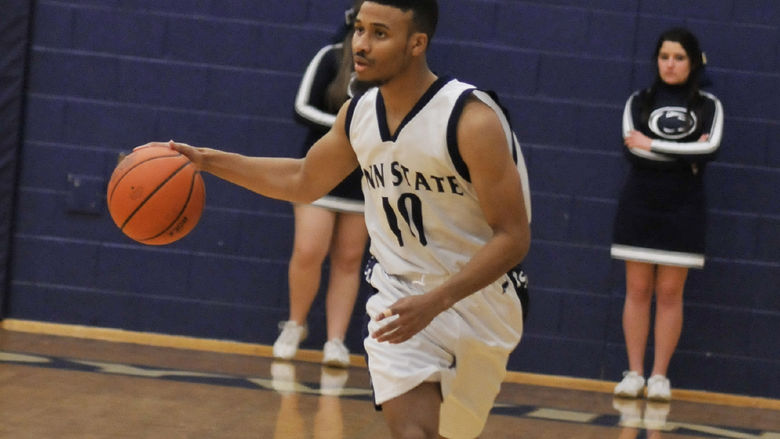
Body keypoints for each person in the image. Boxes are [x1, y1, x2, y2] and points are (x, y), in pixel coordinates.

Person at [146, 1, 532, 437]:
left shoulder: (471, 120)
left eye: (380, 34)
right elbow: (303, 179)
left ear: (417, 44)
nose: (361, 45)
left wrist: (437, 301)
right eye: (360, 30)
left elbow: (514, 237)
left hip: (479, 299)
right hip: (398, 294)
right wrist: (207, 161)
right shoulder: (358, 114)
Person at [611, 27, 724, 402]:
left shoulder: (708, 106)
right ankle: (635, 373)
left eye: (678, 58)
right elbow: (633, 150)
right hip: (639, 206)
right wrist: (686, 153)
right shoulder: (637, 101)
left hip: (684, 210)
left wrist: (654, 144)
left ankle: (659, 376)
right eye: (664, 57)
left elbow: (711, 151)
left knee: (671, 292)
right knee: (638, 290)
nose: (670, 64)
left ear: (692, 62)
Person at [273, 0, 368, 369]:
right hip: (319, 174)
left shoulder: (393, 70)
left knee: (348, 259)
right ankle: (295, 325)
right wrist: (346, 128)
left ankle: (336, 341)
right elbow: (301, 108)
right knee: (309, 250)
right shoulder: (330, 57)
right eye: (363, 27)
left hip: (363, 181)